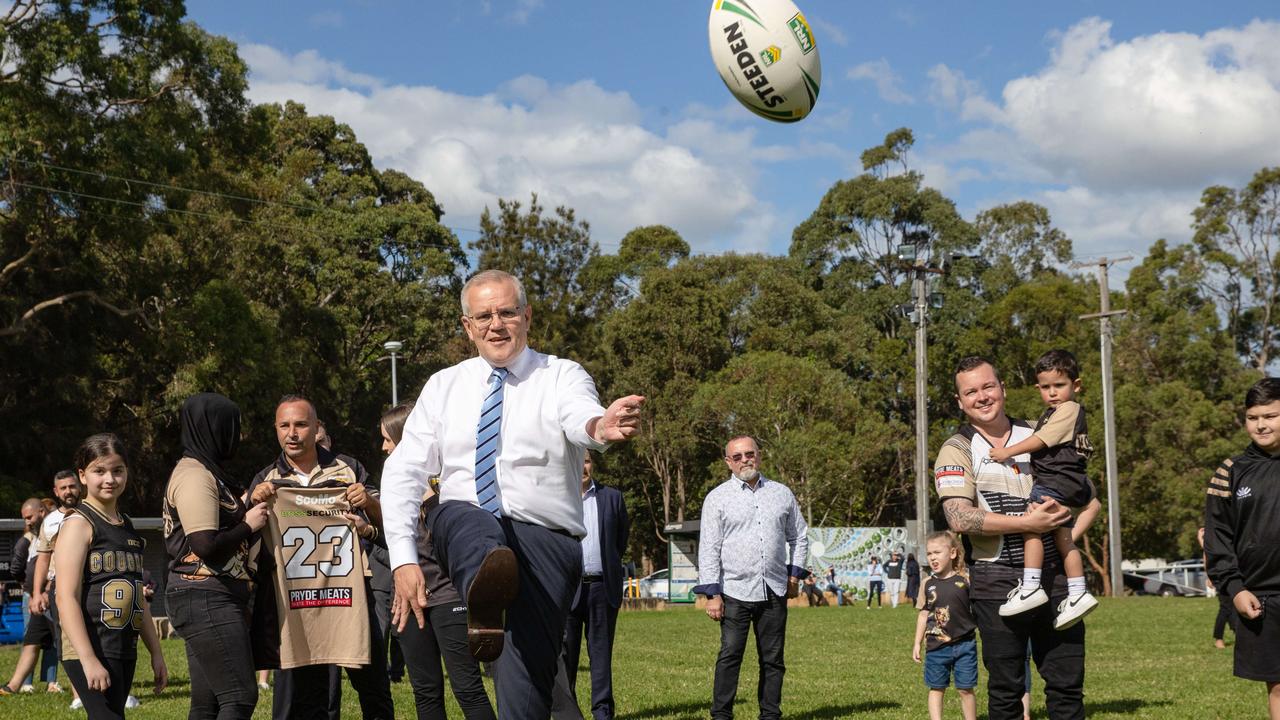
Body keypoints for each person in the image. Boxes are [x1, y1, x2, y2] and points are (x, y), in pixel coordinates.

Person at [382, 269, 644, 720]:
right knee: (462, 519)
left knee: (526, 686)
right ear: (467, 327)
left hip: (545, 540)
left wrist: (600, 426)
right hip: (465, 526)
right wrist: (404, 559)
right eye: (483, 316)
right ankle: (487, 581)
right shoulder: (444, 386)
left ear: (527, 316)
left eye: (506, 312)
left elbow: (580, 413)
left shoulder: (560, 375)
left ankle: (492, 595)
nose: (496, 325)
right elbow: (404, 470)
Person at [936, 356, 1081, 720]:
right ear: (960, 401)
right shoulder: (956, 448)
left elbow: (1081, 482)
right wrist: (1027, 523)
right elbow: (958, 517)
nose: (981, 397)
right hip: (995, 580)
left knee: (1067, 686)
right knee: (1006, 690)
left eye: (988, 387)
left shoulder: (1040, 431)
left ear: (1002, 388)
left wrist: (1071, 508)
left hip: (1057, 578)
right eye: (971, 392)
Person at [248, 395, 394, 720]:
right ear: (275, 430)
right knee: (310, 697)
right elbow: (244, 539)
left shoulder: (349, 469)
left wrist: (368, 502)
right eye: (284, 425)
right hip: (297, 603)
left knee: (374, 688)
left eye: (300, 424)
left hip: (351, 596)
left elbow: (392, 525)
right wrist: (251, 502)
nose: (292, 433)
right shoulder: (266, 479)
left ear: (316, 428)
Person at [380, 401, 495, 720]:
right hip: (406, 602)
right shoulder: (393, 487)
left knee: (468, 688)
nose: (383, 448)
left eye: (388, 440)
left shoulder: (449, 484)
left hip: (448, 599)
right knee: (425, 692)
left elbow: (462, 540)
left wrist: (430, 500)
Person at [163, 392, 266, 720]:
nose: (238, 436)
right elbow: (204, 545)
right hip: (205, 597)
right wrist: (248, 525)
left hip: (209, 597)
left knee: (208, 705)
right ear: (212, 428)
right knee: (240, 696)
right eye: (233, 427)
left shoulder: (209, 471)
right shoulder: (195, 475)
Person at [694, 436, 808, 720]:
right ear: (728, 463)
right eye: (738, 456)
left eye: (750, 454)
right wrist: (712, 594)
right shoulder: (717, 498)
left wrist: (794, 575)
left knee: (773, 659)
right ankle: (721, 714)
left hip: (774, 589)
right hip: (734, 592)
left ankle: (770, 715)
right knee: (730, 655)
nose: (745, 460)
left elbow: (800, 536)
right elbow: (709, 547)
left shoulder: (782, 493)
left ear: (759, 455)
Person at [55, 433, 168, 718]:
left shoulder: (126, 524)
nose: (110, 479)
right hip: (91, 646)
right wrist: (88, 658)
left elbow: (137, 597)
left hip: (122, 646)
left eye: (117, 471)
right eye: (99, 471)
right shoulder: (78, 523)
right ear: (83, 475)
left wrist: (156, 652)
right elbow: (65, 597)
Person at [988, 350, 1098, 629]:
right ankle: (1077, 593)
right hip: (1067, 482)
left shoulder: (1068, 410)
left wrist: (1007, 452)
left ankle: (1031, 586)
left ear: (1077, 385)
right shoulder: (1057, 411)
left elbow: (1041, 440)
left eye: (1059, 385)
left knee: (1032, 527)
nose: (1052, 393)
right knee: (1064, 539)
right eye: (1046, 387)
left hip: (1055, 482)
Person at [1204, 377, 1280, 719]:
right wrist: (1234, 588)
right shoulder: (1230, 472)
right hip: (1263, 597)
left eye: (1271, 415)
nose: (1261, 424)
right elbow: (1217, 539)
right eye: (1253, 417)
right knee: (1278, 684)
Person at [562, 454, 630, 720]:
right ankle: (568, 712)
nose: (582, 466)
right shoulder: (558, 499)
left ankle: (602, 712)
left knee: (601, 656)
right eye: (577, 460)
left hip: (602, 588)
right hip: (567, 590)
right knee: (566, 657)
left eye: (587, 460)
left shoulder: (613, 498)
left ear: (593, 464)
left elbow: (620, 541)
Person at [912, 531, 977, 720]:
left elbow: (977, 609)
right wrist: (916, 643)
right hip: (936, 647)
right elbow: (923, 614)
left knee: (966, 689)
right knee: (936, 688)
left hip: (965, 645)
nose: (932, 557)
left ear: (953, 553)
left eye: (937, 552)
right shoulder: (927, 584)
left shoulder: (965, 579)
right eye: (929, 553)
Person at [1, 497, 59, 695]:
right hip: (37, 598)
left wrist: (46, 590)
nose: (27, 522)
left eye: (29, 517)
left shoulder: (57, 529)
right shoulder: (33, 537)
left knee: (61, 642)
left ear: (42, 512)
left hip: (54, 596)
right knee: (32, 640)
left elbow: (57, 564)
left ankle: (76, 689)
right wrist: (34, 593)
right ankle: (14, 685)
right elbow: (34, 565)